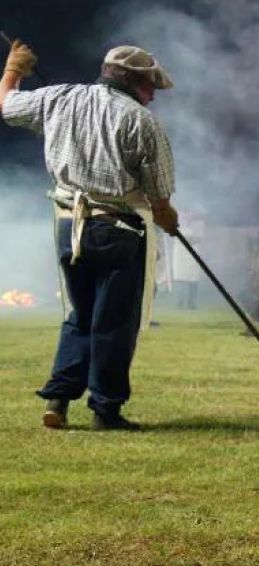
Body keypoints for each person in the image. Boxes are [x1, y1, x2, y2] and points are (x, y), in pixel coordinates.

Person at [0, 40, 180, 430]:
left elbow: (8, 106)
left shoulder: (59, 98)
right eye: (150, 86)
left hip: (69, 227)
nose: (152, 96)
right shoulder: (140, 121)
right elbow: (159, 193)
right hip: (117, 230)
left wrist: (13, 70)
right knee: (113, 323)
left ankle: (58, 399)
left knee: (78, 316)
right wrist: (168, 218)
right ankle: (105, 409)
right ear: (132, 82)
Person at [172, 207, 204, 309]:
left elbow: (197, 238)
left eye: (192, 213)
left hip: (193, 254)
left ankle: (191, 303)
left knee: (193, 278)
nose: (189, 215)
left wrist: (184, 238)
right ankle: (179, 302)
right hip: (180, 254)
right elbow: (172, 234)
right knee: (180, 277)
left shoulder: (199, 224)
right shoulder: (177, 222)